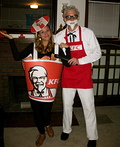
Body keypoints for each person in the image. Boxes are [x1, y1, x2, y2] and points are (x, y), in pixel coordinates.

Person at [0, 17, 55, 146]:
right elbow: (17, 57)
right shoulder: (33, 47)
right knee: (36, 112)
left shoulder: (56, 48)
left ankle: (47, 124)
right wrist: (11, 40)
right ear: (38, 35)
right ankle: (42, 133)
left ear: (50, 32)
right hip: (34, 87)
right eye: (42, 32)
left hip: (49, 87)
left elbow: (64, 64)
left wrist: (59, 55)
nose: (45, 33)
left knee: (46, 112)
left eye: (47, 30)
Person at [54, 5, 102, 147]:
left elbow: (97, 53)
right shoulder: (59, 36)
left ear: (78, 17)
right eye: (68, 16)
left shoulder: (88, 33)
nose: (71, 19)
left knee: (88, 106)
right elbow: (53, 53)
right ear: (64, 19)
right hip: (68, 75)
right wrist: (59, 47)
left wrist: (79, 60)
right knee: (67, 105)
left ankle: (92, 136)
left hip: (84, 74)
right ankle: (66, 129)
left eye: (74, 16)